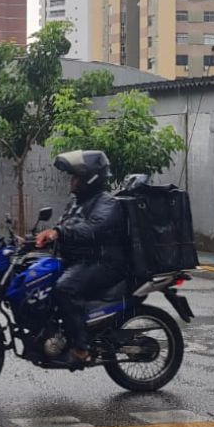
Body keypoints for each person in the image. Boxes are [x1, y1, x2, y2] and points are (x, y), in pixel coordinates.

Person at [35, 150, 127, 365]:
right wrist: (34, 240)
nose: (72, 182)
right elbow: (65, 227)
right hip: (80, 260)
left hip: (103, 263)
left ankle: (80, 348)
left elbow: (90, 229)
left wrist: (59, 232)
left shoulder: (107, 203)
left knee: (65, 288)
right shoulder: (77, 202)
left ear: (91, 178)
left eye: (76, 177)